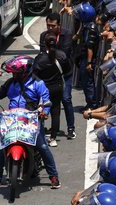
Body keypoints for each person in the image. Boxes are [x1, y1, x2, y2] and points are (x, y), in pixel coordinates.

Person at [0, 55, 60, 189]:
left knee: (42, 146)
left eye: (16, 73)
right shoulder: (10, 83)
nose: (13, 75)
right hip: (12, 121)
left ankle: (53, 176)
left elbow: (46, 101)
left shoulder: (38, 83)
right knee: (1, 148)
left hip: (31, 121)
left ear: (24, 72)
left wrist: (44, 112)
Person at [39, 11, 76, 140]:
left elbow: (64, 54)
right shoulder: (43, 35)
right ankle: (49, 128)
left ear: (59, 25)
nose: (50, 28)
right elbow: (43, 53)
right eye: (48, 25)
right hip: (50, 76)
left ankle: (71, 127)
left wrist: (52, 52)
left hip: (65, 73)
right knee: (47, 102)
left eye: (52, 26)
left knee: (66, 99)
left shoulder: (67, 34)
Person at [33, 31, 72, 147]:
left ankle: (39, 136)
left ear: (44, 43)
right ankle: (53, 137)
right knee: (56, 112)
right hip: (58, 87)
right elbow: (68, 71)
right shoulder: (62, 55)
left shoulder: (40, 58)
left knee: (40, 110)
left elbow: (34, 74)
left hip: (43, 88)